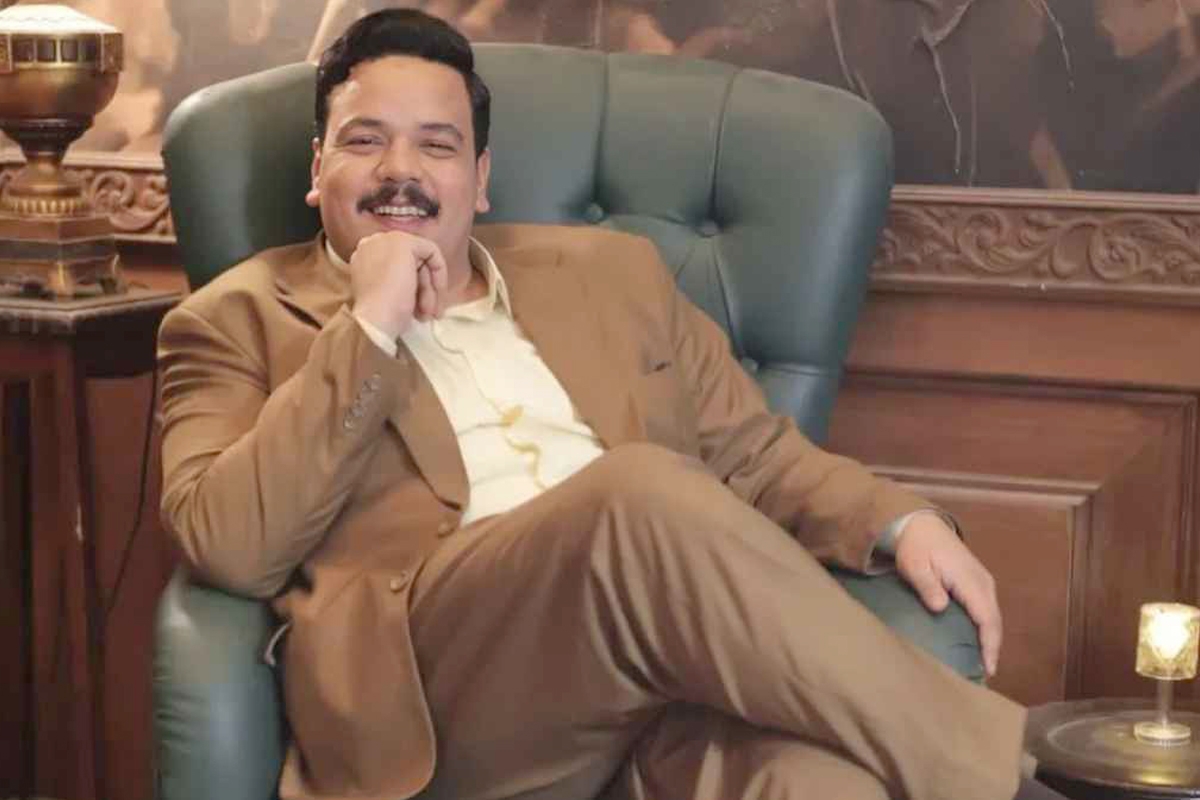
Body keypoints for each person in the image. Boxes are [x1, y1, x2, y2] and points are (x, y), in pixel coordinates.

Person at [157, 9, 1067, 800]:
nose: (402, 171)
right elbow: (230, 541)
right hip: (445, 708)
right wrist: (370, 327)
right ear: (318, 167)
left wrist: (900, 520)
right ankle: (1017, 784)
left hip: (657, 698)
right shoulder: (232, 320)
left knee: (822, 783)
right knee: (635, 495)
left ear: (481, 177)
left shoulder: (612, 274)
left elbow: (755, 457)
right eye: (365, 142)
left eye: (436, 145)